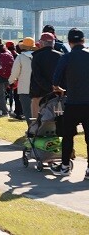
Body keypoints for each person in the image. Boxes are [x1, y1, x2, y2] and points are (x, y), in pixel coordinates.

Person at [51, 28, 89, 179]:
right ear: (83, 40)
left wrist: (61, 89)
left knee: (68, 136)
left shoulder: (66, 57)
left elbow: (55, 81)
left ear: (69, 42)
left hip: (72, 103)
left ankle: (65, 166)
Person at [30, 33, 62, 119]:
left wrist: (48, 87)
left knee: (37, 121)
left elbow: (37, 76)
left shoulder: (36, 56)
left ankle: (35, 131)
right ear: (53, 43)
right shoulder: (60, 56)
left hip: (39, 93)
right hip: (57, 93)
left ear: (41, 43)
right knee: (56, 118)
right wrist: (55, 88)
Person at [9, 37, 37, 124]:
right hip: (37, 87)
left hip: (24, 88)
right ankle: (38, 129)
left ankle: (31, 129)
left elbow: (15, 72)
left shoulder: (20, 57)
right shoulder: (38, 56)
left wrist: (10, 81)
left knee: (27, 111)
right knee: (37, 110)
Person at [0, 40, 14, 116]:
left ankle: (4, 111)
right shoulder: (7, 52)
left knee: (1, 94)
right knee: (3, 93)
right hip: (8, 75)